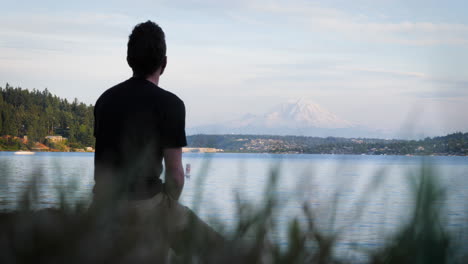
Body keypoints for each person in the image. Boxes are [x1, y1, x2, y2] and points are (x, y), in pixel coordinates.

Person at [92, 20, 222, 262]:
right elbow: (176, 176)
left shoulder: (104, 100)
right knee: (219, 250)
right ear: (164, 63)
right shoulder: (170, 105)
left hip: (102, 206)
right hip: (145, 204)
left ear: (129, 60)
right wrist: (166, 210)